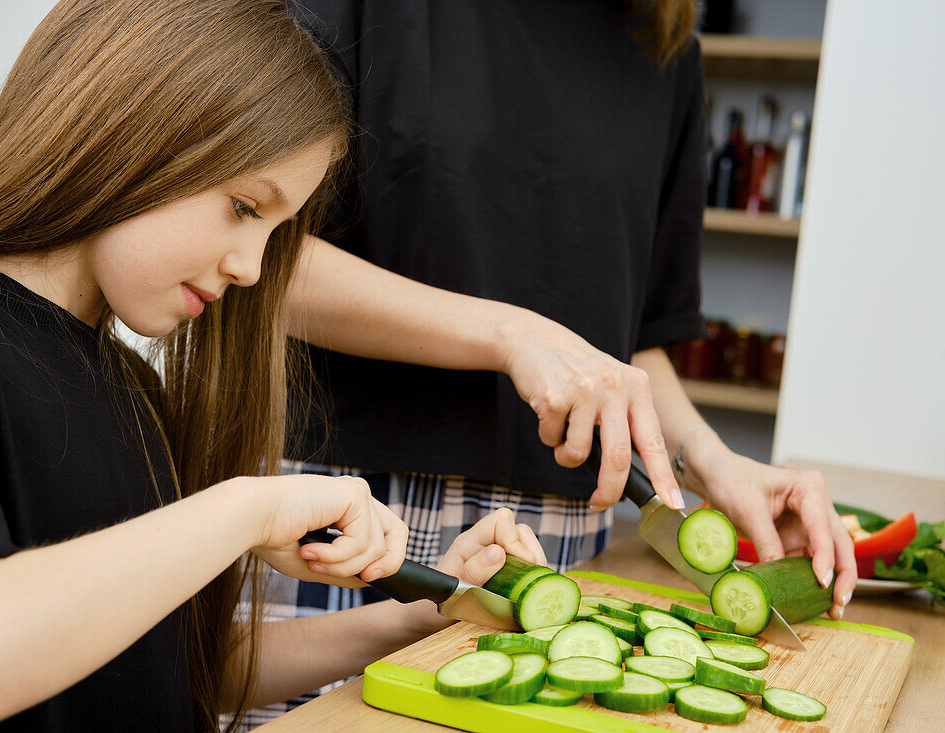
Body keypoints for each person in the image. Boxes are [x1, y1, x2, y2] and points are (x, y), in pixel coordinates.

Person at [0, 2, 548, 731]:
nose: (251, 268)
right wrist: (249, 509)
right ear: (132, 123)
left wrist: (425, 614)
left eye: (276, 234)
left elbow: (168, 671)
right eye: (245, 205)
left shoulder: (132, 387)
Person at [243, 0, 858, 721]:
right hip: (348, 507)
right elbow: (256, 253)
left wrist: (704, 457)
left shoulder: (666, 42)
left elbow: (627, 339)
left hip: (560, 536)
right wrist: (513, 335)